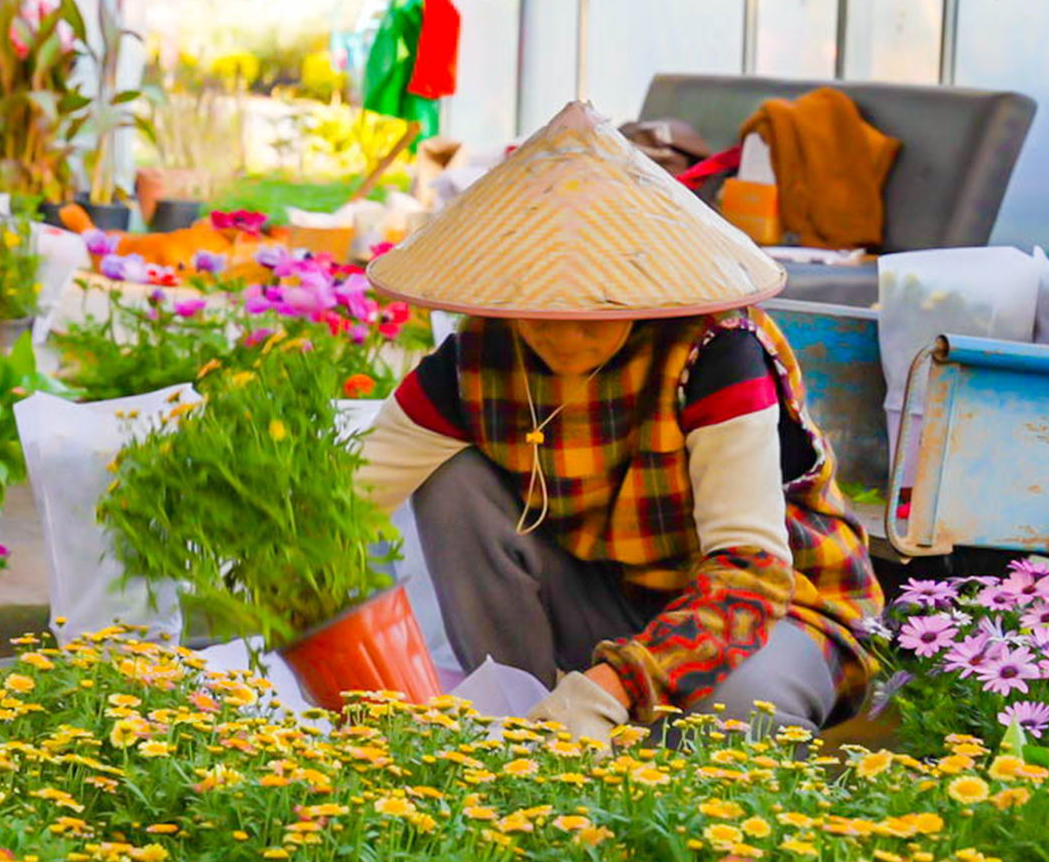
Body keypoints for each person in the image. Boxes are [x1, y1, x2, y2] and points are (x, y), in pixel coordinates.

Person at [357, 101, 884, 741]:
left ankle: (616, 741)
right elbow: (350, 496)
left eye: (596, 307)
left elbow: (749, 573)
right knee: (453, 483)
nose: (566, 334)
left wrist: (615, 685)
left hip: (775, 610)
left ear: (645, 284)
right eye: (540, 308)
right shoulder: (474, 359)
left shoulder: (716, 355)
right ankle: (522, 732)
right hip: (616, 599)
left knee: (738, 711)